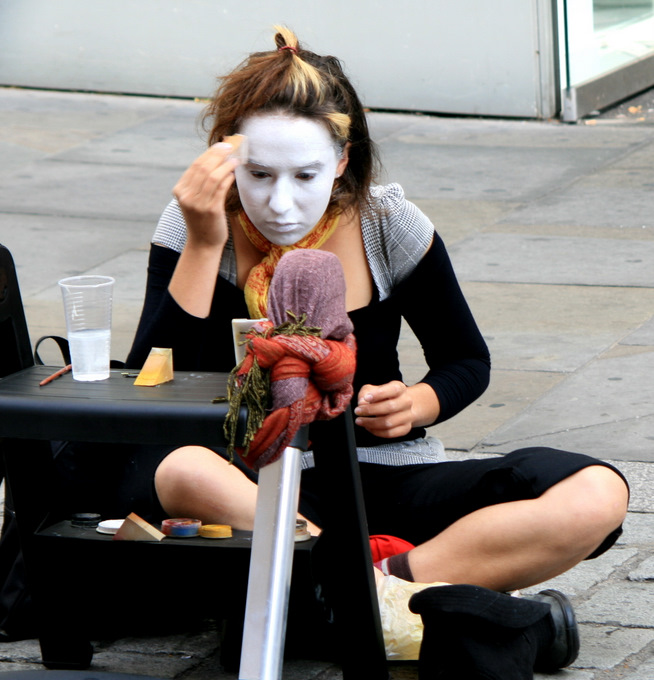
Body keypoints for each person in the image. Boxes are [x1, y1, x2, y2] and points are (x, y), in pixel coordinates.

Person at [126, 25, 628, 597]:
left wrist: (415, 404)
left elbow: (466, 358)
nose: (280, 202)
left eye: (305, 175)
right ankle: (400, 593)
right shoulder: (193, 226)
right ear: (226, 159)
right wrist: (202, 241)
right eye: (259, 175)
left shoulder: (386, 224)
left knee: (596, 492)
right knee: (182, 470)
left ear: (342, 161)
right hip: (250, 484)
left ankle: (368, 588)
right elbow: (147, 387)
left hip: (391, 477)